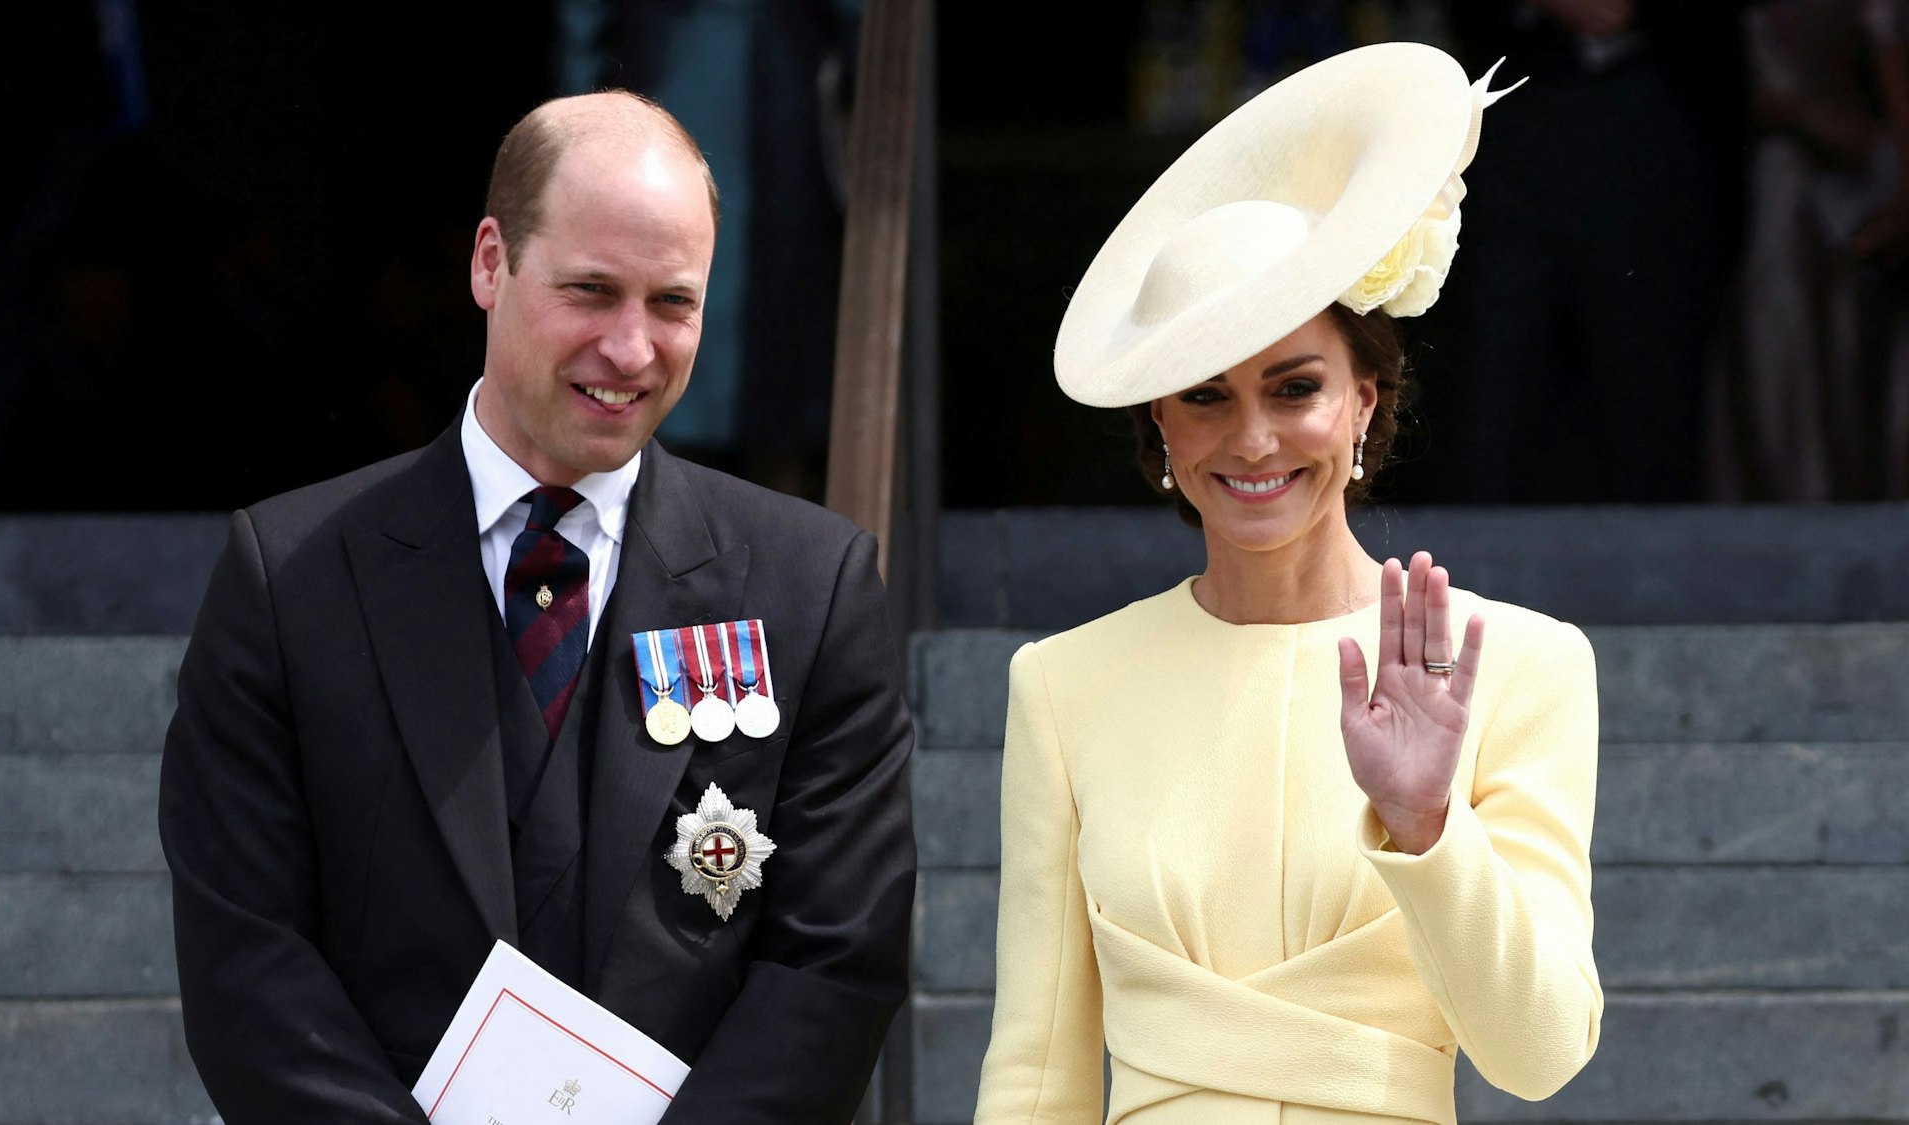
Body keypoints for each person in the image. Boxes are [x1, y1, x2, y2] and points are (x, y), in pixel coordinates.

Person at [159, 91, 915, 1122]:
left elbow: (832, 964)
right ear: (487, 263)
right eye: (590, 291)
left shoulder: (808, 588)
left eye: (672, 303)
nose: (631, 348)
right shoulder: (288, 581)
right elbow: (248, 959)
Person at [974, 44, 1602, 1124]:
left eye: (1294, 386)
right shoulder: (1061, 686)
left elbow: (1538, 1057)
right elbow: (1036, 1072)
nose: (1252, 438)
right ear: (1159, 427)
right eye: (1205, 396)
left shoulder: (1522, 666)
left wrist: (1423, 824)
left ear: (1363, 400)